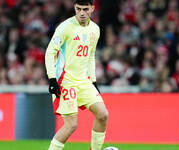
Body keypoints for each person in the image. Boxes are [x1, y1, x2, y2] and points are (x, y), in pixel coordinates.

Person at [45, 0, 108, 150]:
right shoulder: (65, 27)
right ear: (74, 8)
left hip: (83, 80)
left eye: (85, 9)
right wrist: (52, 78)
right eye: (78, 9)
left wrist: (93, 80)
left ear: (92, 9)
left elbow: (91, 56)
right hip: (65, 80)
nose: (81, 13)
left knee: (103, 115)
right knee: (71, 125)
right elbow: (50, 52)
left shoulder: (95, 29)